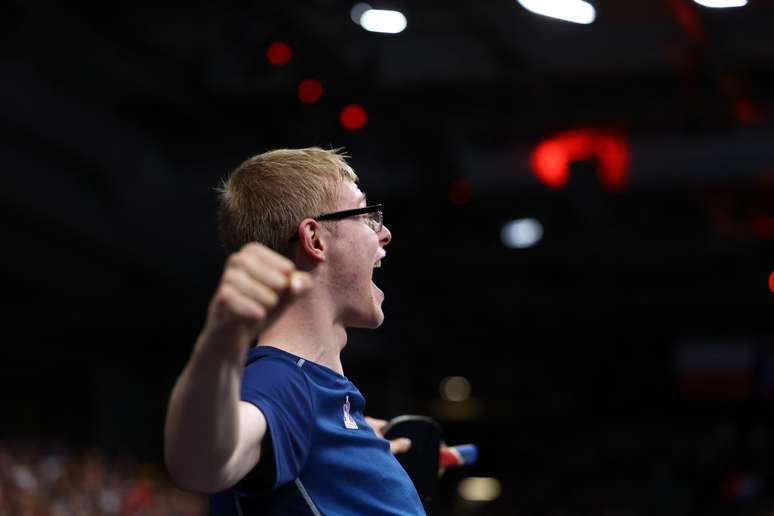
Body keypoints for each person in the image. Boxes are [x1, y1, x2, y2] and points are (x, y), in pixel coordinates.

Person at [163, 148, 426, 515]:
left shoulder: (310, 397)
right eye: (367, 216)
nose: (385, 234)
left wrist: (362, 445)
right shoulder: (280, 382)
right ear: (315, 239)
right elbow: (201, 463)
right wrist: (221, 339)